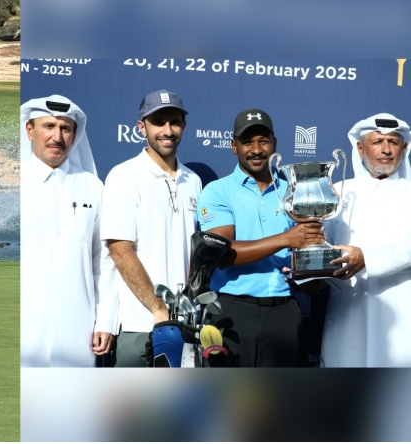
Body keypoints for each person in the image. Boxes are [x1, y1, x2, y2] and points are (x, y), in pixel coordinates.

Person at [197, 108, 325, 367]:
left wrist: (313, 272)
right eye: (247, 142)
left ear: (275, 143)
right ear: (234, 146)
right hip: (231, 310)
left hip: (285, 311)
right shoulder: (218, 191)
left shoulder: (296, 190)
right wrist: (285, 238)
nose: (256, 149)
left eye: (263, 141)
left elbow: (305, 247)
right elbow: (222, 254)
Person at [101, 90, 202, 367]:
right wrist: (158, 308)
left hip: (186, 325)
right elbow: (120, 251)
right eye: (158, 122)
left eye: (174, 121)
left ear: (184, 125)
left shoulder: (193, 180)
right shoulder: (124, 176)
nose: (167, 130)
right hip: (141, 324)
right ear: (141, 127)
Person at [20, 94, 117, 367]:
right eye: (48, 126)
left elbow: (105, 261)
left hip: (79, 329)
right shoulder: (14, 184)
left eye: (65, 128)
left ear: (75, 136)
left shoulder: (92, 186)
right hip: (23, 326)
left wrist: (106, 320)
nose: (57, 137)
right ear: (30, 130)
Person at [321, 113, 411, 367]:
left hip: (403, 315)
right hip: (348, 313)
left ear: (404, 148)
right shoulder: (336, 192)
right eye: (377, 142)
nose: (386, 150)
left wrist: (367, 259)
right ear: (360, 148)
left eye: (393, 142)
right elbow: (320, 245)